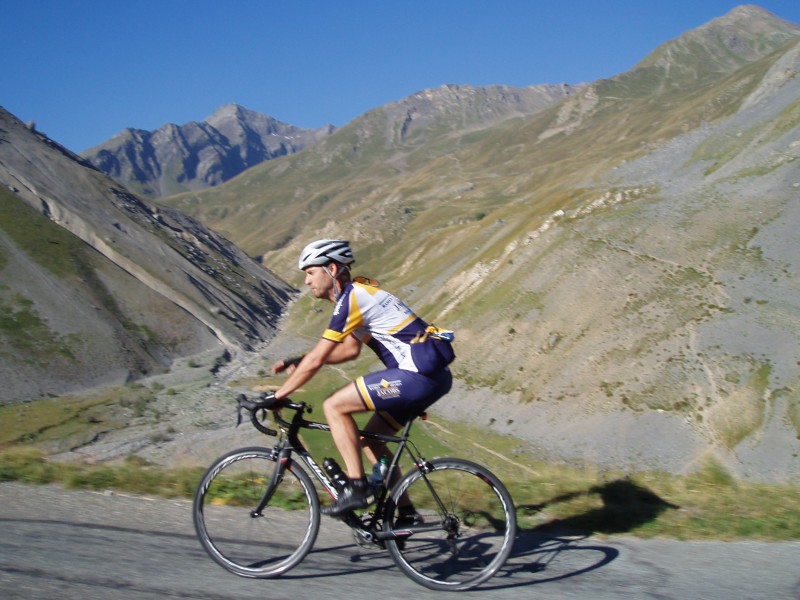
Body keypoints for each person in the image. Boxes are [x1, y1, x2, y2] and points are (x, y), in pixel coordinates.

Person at [271, 239, 454, 516]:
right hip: (433, 377)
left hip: (416, 376)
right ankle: (406, 513)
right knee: (373, 439)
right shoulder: (356, 296)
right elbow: (350, 351)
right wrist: (301, 361)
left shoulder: (353, 298)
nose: (307, 281)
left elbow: (318, 359)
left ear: (331, 269)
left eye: (310, 272)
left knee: (334, 406)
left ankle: (357, 487)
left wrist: (278, 396)